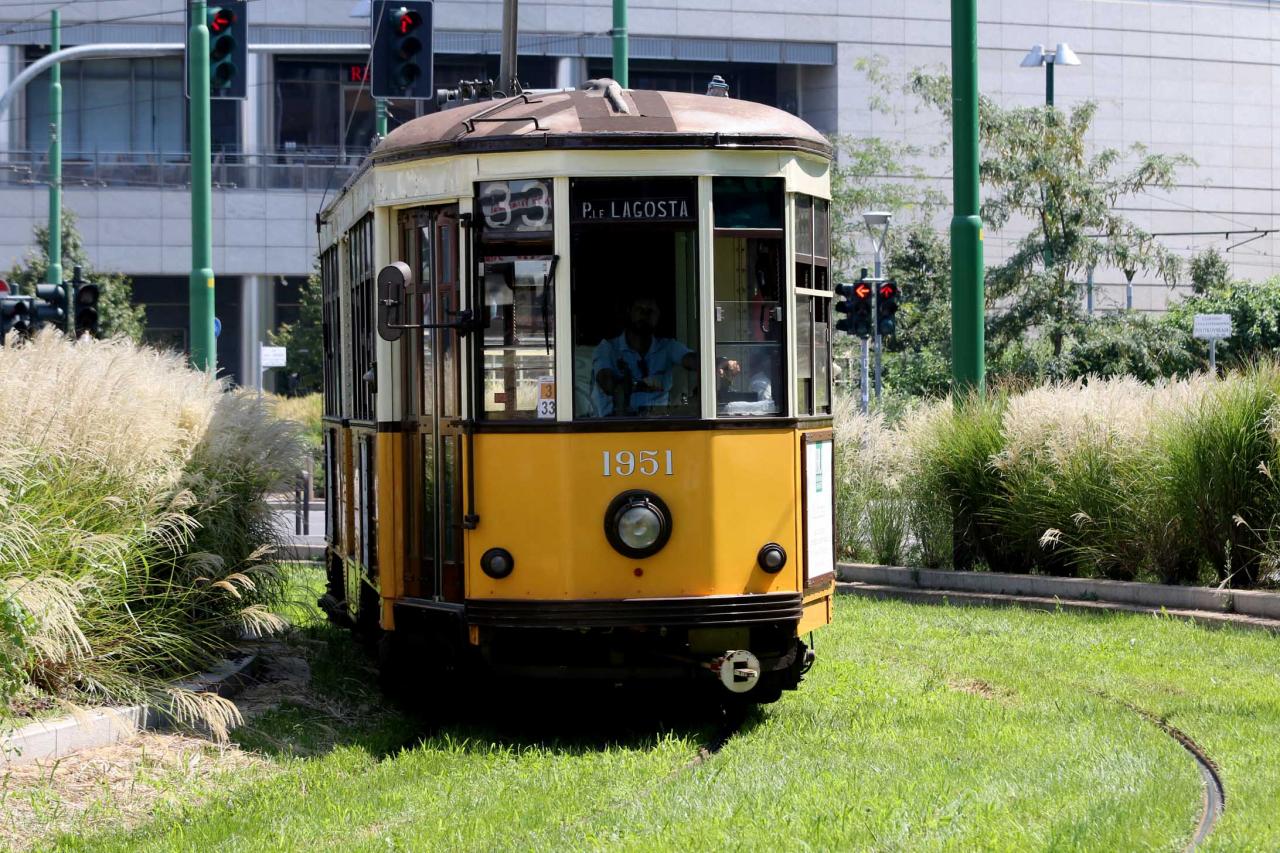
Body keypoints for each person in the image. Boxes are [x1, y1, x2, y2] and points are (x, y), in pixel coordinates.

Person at [592, 295, 738, 416]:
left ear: (658, 316)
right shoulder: (608, 348)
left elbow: (692, 360)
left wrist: (720, 362)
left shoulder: (667, 347)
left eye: (651, 311)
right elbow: (607, 384)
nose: (644, 315)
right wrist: (640, 385)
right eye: (639, 309)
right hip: (614, 425)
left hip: (658, 425)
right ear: (629, 312)